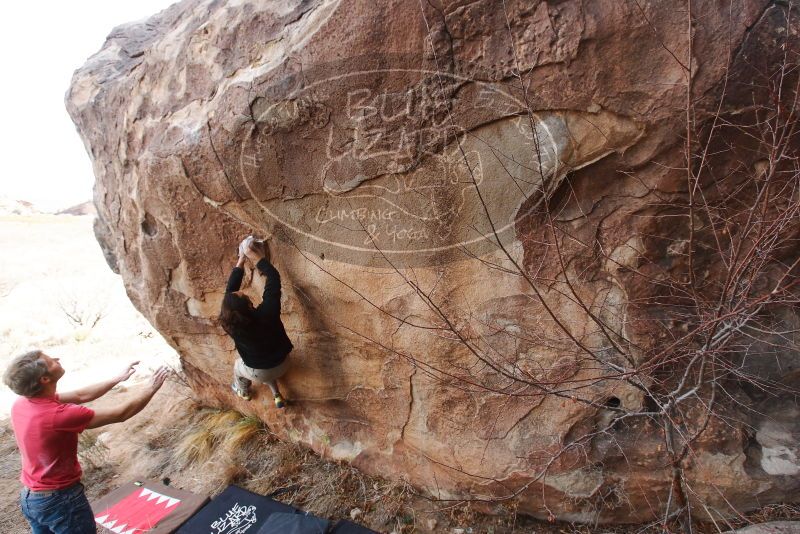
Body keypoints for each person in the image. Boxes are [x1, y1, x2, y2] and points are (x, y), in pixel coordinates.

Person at [2, 350, 170, 534]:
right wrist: (151, 388)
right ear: (44, 379)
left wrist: (117, 379)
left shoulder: (23, 403)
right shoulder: (58, 416)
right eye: (51, 362)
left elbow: (80, 395)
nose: (57, 358)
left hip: (32, 499)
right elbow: (121, 413)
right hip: (60, 501)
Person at [219, 236, 293, 408]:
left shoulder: (229, 324)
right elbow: (273, 277)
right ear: (250, 305)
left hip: (261, 370)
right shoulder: (268, 312)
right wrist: (254, 256)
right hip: (283, 362)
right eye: (244, 296)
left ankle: (243, 391)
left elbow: (229, 294)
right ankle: (277, 395)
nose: (240, 292)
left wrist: (241, 259)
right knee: (261, 363)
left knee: (240, 367)